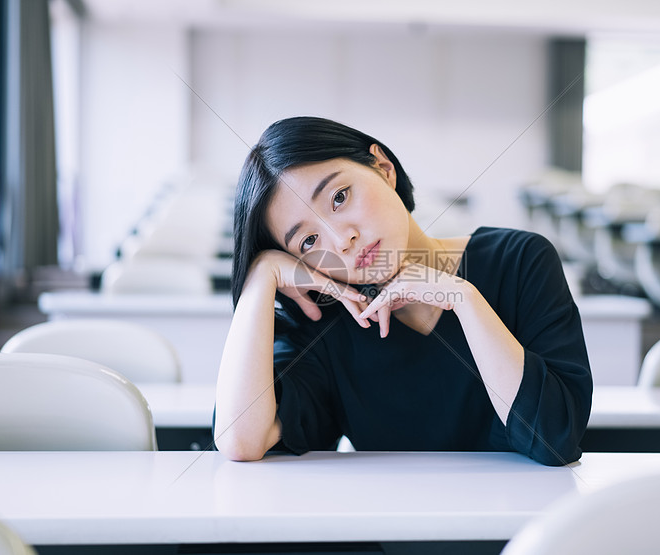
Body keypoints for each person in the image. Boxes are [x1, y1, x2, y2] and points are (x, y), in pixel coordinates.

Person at [214, 116, 592, 466]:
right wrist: (261, 276)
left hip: (524, 530)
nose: (342, 239)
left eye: (340, 197)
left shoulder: (519, 261)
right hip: (390, 533)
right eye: (309, 240)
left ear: (383, 168)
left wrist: (464, 299)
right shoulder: (325, 321)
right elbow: (240, 440)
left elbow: (554, 439)